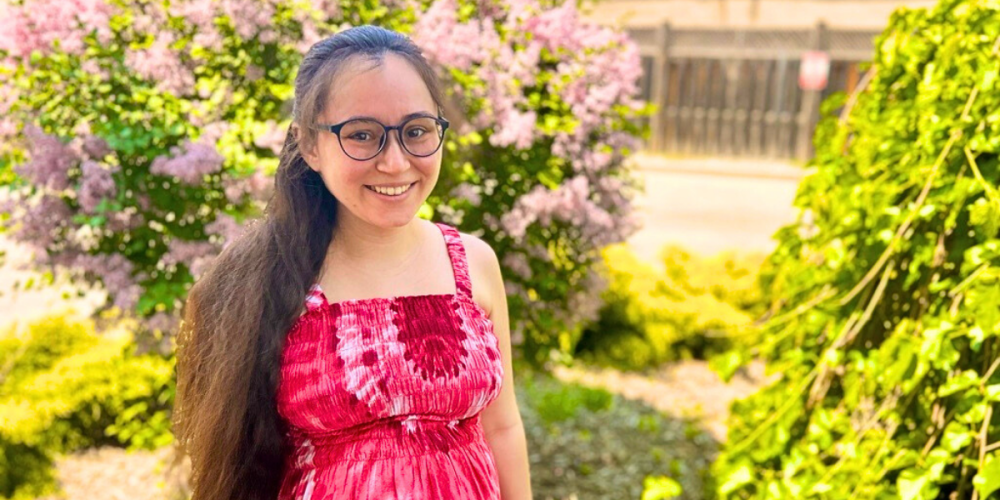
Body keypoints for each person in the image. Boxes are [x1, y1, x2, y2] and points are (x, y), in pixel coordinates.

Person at [172, 24, 532, 500]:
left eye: (417, 131)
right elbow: (235, 458)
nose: (395, 162)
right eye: (362, 135)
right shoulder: (265, 278)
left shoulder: (474, 263)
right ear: (309, 144)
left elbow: (502, 426)